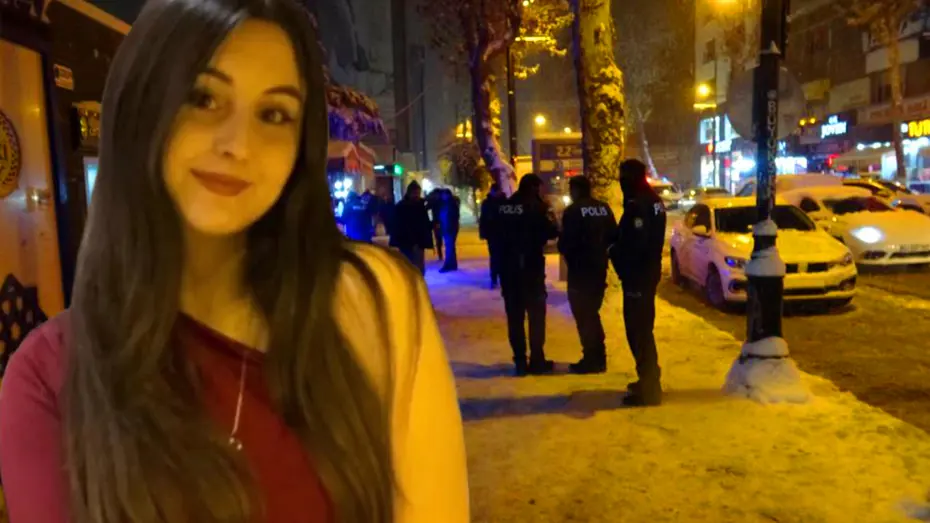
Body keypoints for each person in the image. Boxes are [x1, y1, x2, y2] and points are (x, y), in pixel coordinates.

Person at [0, 2, 469, 522]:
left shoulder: (368, 304)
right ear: (139, 110)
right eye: (203, 98)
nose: (239, 145)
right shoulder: (52, 377)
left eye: (274, 114)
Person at [610, 159, 667, 406]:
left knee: (638, 330)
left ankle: (649, 386)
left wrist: (614, 252)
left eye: (623, 177)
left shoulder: (638, 204)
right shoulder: (652, 200)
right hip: (647, 272)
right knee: (642, 328)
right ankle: (648, 378)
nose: (621, 182)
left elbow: (635, 243)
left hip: (638, 275)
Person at [498, 174, 559, 376]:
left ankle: (520, 361)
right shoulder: (538, 207)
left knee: (515, 318)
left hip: (509, 270)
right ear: (533, 188)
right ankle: (537, 359)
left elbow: (492, 232)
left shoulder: (505, 207)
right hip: (532, 269)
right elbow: (552, 231)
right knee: (536, 316)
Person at [558, 176, 616, 375]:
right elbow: (613, 236)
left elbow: (566, 243)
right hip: (599, 269)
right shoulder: (603, 208)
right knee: (592, 313)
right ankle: (599, 356)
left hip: (580, 271)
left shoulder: (573, 211)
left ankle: (592, 358)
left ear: (575, 190)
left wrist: (570, 257)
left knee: (584, 315)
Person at [390, 181, 434, 273]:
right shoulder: (401, 207)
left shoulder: (421, 206)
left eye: (418, 193)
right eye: (415, 193)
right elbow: (397, 225)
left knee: (418, 266)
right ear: (409, 193)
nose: (417, 195)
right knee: (409, 265)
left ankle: (418, 279)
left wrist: (431, 226)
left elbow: (424, 222)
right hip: (406, 241)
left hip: (419, 241)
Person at [479, 183, 507, 288]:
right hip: (492, 234)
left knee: (503, 257)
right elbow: (483, 219)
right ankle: (494, 278)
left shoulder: (505, 202)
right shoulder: (487, 203)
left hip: (504, 233)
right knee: (495, 257)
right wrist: (483, 232)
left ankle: (503, 278)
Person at [437, 189, 461, 273]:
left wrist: (447, 227)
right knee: (450, 247)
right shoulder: (448, 203)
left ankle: (448, 265)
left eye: (443, 195)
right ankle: (452, 264)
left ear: (447, 195)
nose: (442, 197)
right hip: (448, 228)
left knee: (449, 248)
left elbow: (451, 217)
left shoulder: (450, 204)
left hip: (449, 229)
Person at [426, 189, 444, 262]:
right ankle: (440, 254)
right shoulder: (435, 201)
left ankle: (441, 254)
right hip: (438, 222)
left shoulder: (438, 201)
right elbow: (426, 208)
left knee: (440, 238)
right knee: (439, 239)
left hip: (440, 222)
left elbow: (426, 207)